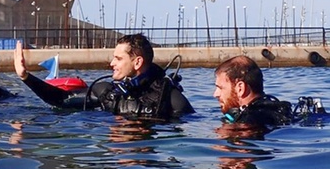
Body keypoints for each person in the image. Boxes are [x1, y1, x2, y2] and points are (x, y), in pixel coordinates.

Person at [13, 34, 194, 119]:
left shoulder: (170, 98)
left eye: (118, 58)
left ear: (137, 62)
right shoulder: (107, 91)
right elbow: (61, 100)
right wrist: (26, 77)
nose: (111, 64)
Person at [213, 55, 293, 131]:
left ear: (240, 88)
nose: (215, 94)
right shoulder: (277, 109)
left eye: (220, 88)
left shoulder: (249, 122)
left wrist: (226, 131)